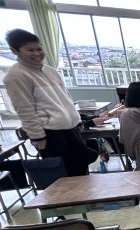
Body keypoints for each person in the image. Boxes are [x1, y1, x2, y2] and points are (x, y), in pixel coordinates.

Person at [4, 29, 98, 176]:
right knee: (63, 178)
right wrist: (38, 136)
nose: (37, 53)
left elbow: (66, 98)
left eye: (39, 49)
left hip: (70, 130)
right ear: (14, 51)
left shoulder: (50, 71)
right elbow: (25, 110)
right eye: (30, 50)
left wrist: (77, 120)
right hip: (51, 135)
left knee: (82, 172)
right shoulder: (16, 76)